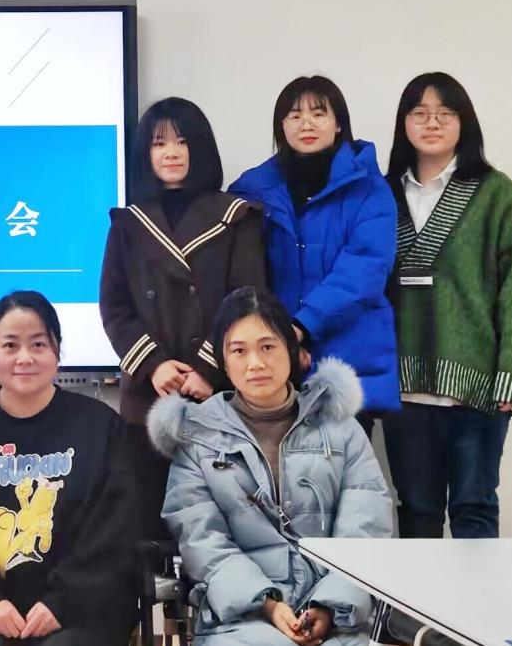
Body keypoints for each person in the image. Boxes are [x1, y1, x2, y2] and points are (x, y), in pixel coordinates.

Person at [148, 287, 393, 645]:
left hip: (336, 618)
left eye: (267, 347)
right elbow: (203, 542)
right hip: (239, 620)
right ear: (223, 361)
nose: (256, 363)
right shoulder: (197, 436)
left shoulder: (340, 427)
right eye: (239, 351)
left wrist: (327, 607)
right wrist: (269, 606)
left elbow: (365, 529)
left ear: (290, 351)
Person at [0, 291, 137, 646]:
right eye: (10, 345)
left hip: (82, 608)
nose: (24, 358)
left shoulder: (101, 428)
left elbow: (114, 534)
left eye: (38, 344)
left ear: (58, 350)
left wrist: (62, 603)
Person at [100, 97, 266, 538]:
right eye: (158, 144)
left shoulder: (236, 216)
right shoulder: (128, 224)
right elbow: (114, 307)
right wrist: (155, 366)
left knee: (223, 528)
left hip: (220, 392)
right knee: (147, 529)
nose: (170, 152)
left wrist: (208, 370)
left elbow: (247, 300)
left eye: (182, 141)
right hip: (148, 398)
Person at [381, 72, 512, 538]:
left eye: (445, 113)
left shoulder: (495, 192)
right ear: (404, 122)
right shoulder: (381, 195)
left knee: (474, 509)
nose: (432, 123)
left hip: (477, 387)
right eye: (420, 113)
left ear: (465, 122)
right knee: (416, 511)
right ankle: (417, 595)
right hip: (404, 391)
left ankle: (479, 595)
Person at [229, 76, 400, 422]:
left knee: (345, 458)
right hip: (274, 362)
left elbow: (364, 270)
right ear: (281, 126)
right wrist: (277, 336)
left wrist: (299, 328)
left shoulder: (369, 189)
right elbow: (243, 270)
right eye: (295, 115)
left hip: (349, 361)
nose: (306, 123)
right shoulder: (253, 191)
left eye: (318, 114)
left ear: (338, 123)